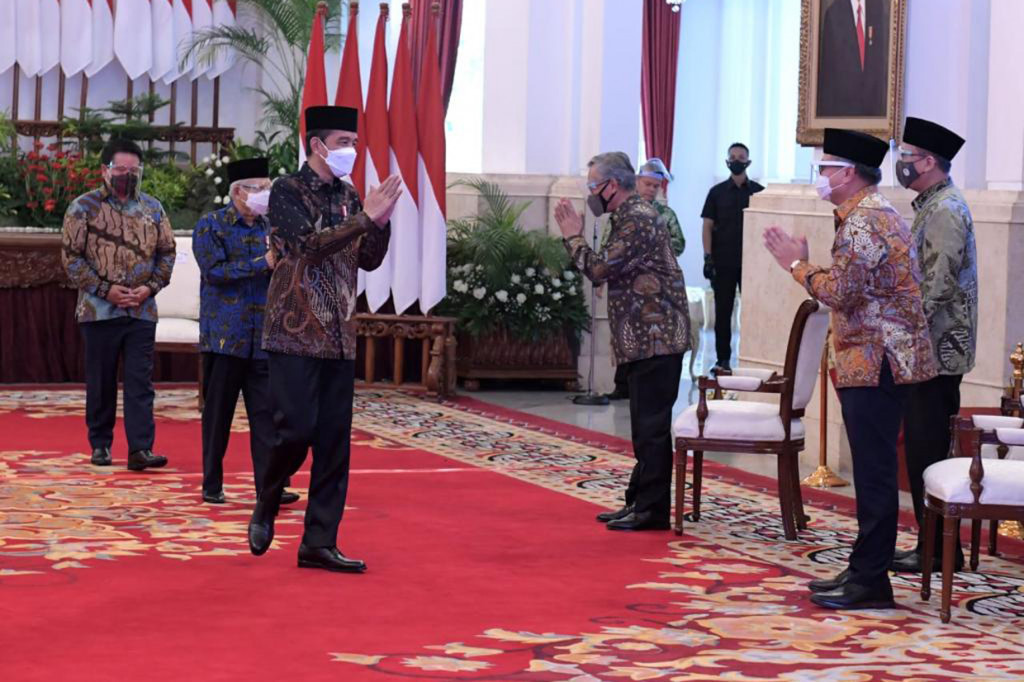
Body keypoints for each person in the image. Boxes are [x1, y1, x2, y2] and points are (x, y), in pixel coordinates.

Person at [763, 128, 936, 610]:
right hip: (876, 359)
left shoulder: (864, 221)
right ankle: (864, 568)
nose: (819, 176)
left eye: (825, 169)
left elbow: (842, 292)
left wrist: (796, 266)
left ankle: (871, 582)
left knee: (875, 472)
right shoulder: (869, 214)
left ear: (848, 174)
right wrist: (807, 265)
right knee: (872, 468)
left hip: (877, 361)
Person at [246, 106, 402, 572]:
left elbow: (367, 259)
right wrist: (365, 218)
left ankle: (319, 541)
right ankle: (268, 498)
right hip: (294, 331)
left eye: (353, 143)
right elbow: (308, 247)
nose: (350, 151)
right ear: (317, 145)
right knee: (295, 429)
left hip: (339, 333)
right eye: (342, 143)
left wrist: (380, 221)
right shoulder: (286, 191)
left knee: (334, 443)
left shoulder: (350, 195)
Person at [554, 152, 691, 531]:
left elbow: (599, 269)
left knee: (651, 428)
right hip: (645, 339)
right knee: (644, 427)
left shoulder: (638, 218)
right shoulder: (628, 215)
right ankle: (638, 501)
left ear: (612, 185)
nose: (590, 194)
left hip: (658, 337)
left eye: (593, 186)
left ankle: (652, 510)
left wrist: (573, 236)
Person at [890, 117, 976, 574]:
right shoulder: (933, 204)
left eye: (906, 156)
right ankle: (936, 547)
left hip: (936, 349)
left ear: (927, 162)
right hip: (929, 346)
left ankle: (938, 550)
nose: (901, 163)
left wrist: (898, 327)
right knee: (924, 449)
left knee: (928, 450)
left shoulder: (944, 210)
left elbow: (938, 283)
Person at [61, 138, 174, 471]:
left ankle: (141, 449)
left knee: (141, 382)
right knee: (102, 380)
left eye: (134, 170)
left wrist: (150, 288)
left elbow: (167, 253)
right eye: (121, 169)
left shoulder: (152, 208)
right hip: (99, 311)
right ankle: (100, 444)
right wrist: (104, 290)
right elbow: (71, 258)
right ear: (105, 170)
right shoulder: (83, 207)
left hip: (141, 309)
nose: (128, 175)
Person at [192, 157, 299, 506]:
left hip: (265, 336)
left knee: (267, 418)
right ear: (238, 192)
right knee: (218, 415)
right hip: (226, 336)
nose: (265, 195)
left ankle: (269, 487)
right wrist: (261, 263)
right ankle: (212, 483)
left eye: (268, 188)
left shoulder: (273, 226)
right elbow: (214, 272)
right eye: (259, 189)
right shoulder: (212, 226)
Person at [603, 157, 685, 401]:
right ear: (637, 182)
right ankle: (621, 384)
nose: (650, 189)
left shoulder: (665, 214)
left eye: (655, 186)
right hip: (625, 284)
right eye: (647, 184)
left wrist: (653, 248)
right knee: (626, 329)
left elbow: (679, 243)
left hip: (656, 286)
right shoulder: (621, 213)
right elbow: (608, 247)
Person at [701, 143, 763, 374]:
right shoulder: (716, 193)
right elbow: (707, 226)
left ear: (748, 161)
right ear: (727, 161)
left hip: (751, 264)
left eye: (741, 157)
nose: (737, 160)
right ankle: (723, 360)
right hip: (722, 261)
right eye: (733, 157)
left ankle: (752, 357)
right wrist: (707, 257)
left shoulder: (759, 193)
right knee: (723, 312)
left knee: (753, 311)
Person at [817, 0, 889, 117]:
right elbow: (828, 81)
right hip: (843, 114)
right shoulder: (833, 14)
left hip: (874, 115)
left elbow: (882, 69)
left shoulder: (879, 9)